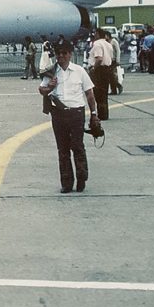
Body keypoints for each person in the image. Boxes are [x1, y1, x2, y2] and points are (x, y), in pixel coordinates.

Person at [38, 41, 97, 194]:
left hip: (76, 113)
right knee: (63, 149)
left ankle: (82, 177)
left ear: (70, 54)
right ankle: (66, 182)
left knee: (77, 146)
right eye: (58, 53)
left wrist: (94, 115)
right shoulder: (51, 71)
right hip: (58, 113)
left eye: (64, 53)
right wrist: (49, 87)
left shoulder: (80, 71)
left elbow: (90, 95)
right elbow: (41, 89)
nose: (61, 56)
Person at [88, 28, 113, 120]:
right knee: (104, 92)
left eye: (95, 33)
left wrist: (94, 68)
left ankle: (101, 114)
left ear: (98, 34)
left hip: (99, 70)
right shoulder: (108, 44)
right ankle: (104, 114)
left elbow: (99, 58)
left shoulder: (97, 44)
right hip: (107, 69)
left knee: (98, 92)